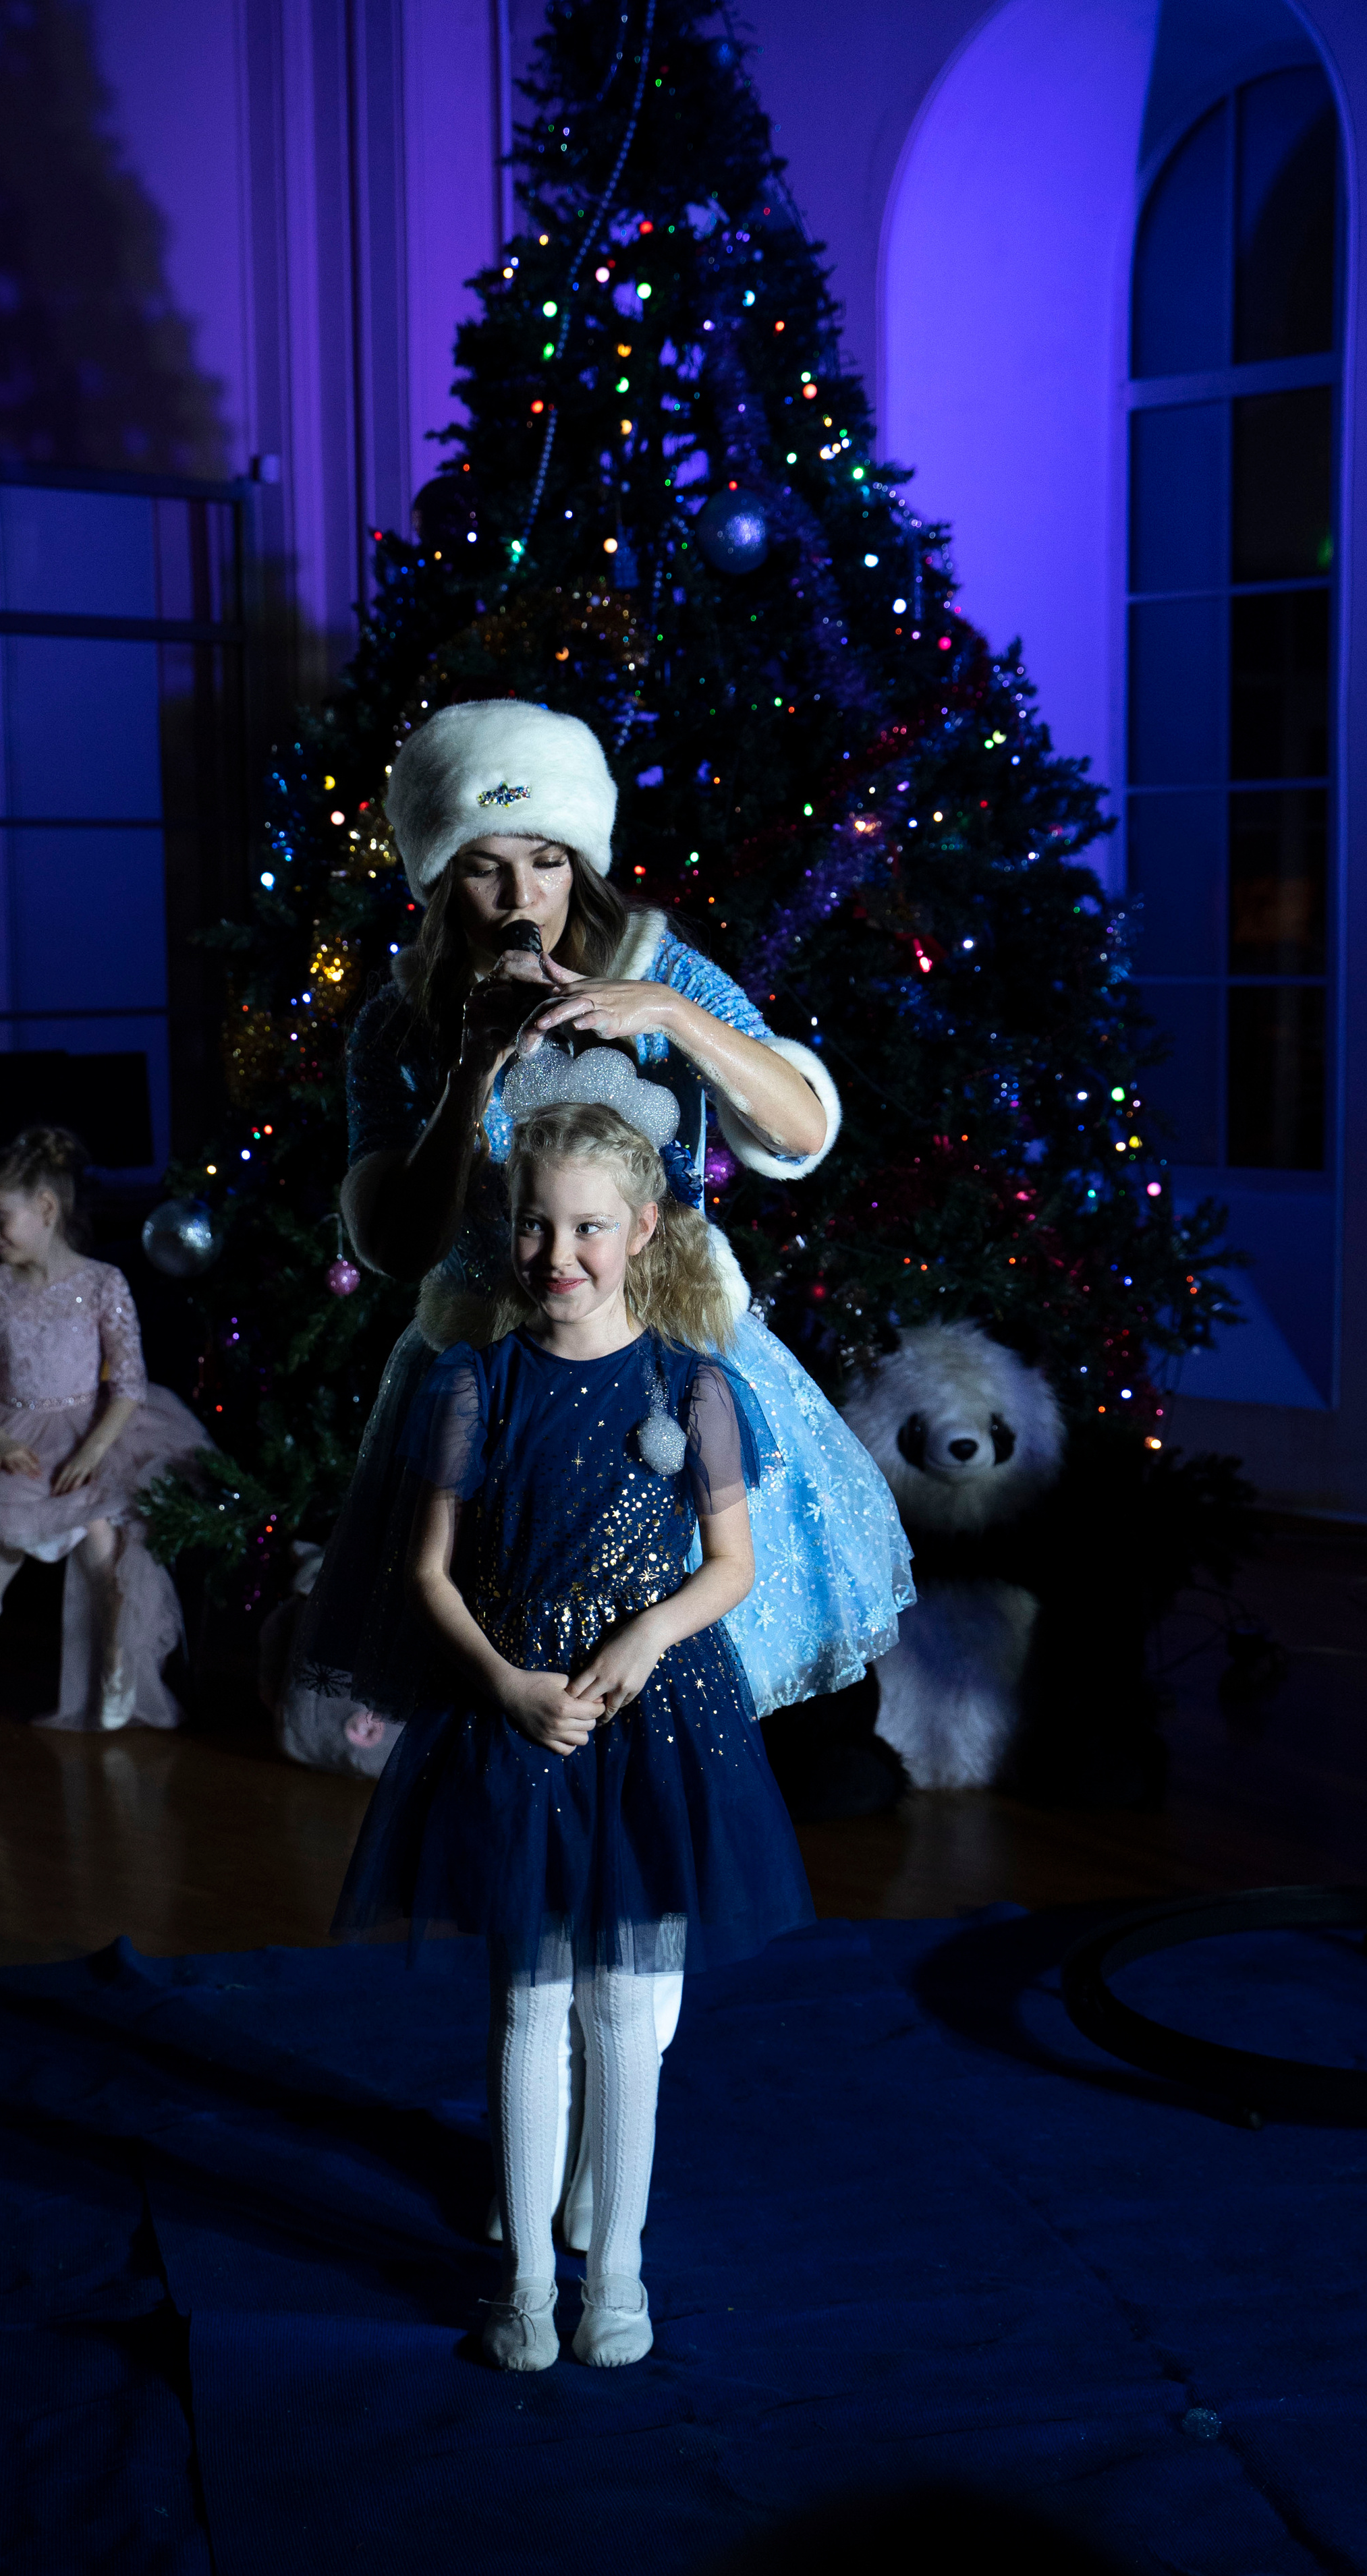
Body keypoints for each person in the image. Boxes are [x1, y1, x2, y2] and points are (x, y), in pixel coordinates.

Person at [289, 697, 912, 1754]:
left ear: (581, 858)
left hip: (661, 1359)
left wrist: (668, 1015)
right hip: (496, 1383)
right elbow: (394, 1245)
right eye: (486, 867)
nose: (521, 897)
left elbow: (802, 1127)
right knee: (515, 1689)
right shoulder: (399, 1018)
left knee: (665, 1697)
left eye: (546, 860)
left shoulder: (660, 964)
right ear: (441, 878)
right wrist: (472, 1068)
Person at [333, 1091, 816, 2372]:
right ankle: (529, 2283)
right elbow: (430, 1571)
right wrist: (503, 1683)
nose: (561, 1256)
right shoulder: (471, 1383)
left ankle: (621, 2276)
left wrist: (643, 1639)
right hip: (520, 1721)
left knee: (620, 2005)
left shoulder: (690, 1386)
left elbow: (728, 1565)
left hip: (652, 1724)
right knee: (525, 2003)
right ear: (510, 1228)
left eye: (590, 1229)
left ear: (644, 1229)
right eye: (539, 1227)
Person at [0, 1126, 206, 1731]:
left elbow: (130, 1383)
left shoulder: (101, 1284)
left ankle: (117, 1662)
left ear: (47, 1210)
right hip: (16, 1427)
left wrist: (92, 1450)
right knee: (6, 1506)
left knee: (100, 1528)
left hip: (99, 1427)